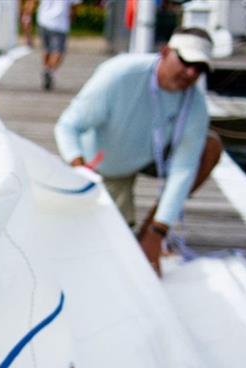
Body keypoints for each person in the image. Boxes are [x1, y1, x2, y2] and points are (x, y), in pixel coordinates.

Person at [54, 27, 223, 276]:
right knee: (108, 248)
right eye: (186, 61)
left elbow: (184, 167)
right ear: (165, 51)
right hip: (104, 170)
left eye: (200, 69)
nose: (191, 73)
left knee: (210, 146)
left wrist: (158, 232)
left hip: (150, 157)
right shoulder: (120, 73)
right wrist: (80, 171)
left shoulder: (195, 101)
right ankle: (132, 227)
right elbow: (68, 126)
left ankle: (151, 230)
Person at [36, 0, 81, 90]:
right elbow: (74, 7)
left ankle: (46, 68)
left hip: (43, 20)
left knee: (46, 49)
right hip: (59, 23)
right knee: (58, 51)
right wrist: (73, 18)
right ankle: (49, 71)